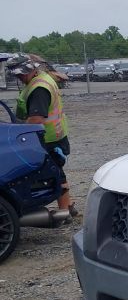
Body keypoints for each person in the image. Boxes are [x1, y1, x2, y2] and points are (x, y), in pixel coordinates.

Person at [7, 54, 76, 216]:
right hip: (54, 136)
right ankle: (68, 207)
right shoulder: (42, 78)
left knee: (55, 174)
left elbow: (36, 118)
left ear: (30, 70)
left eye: (21, 74)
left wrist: (16, 135)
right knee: (57, 172)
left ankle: (65, 211)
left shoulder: (39, 89)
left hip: (48, 139)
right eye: (17, 74)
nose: (19, 77)